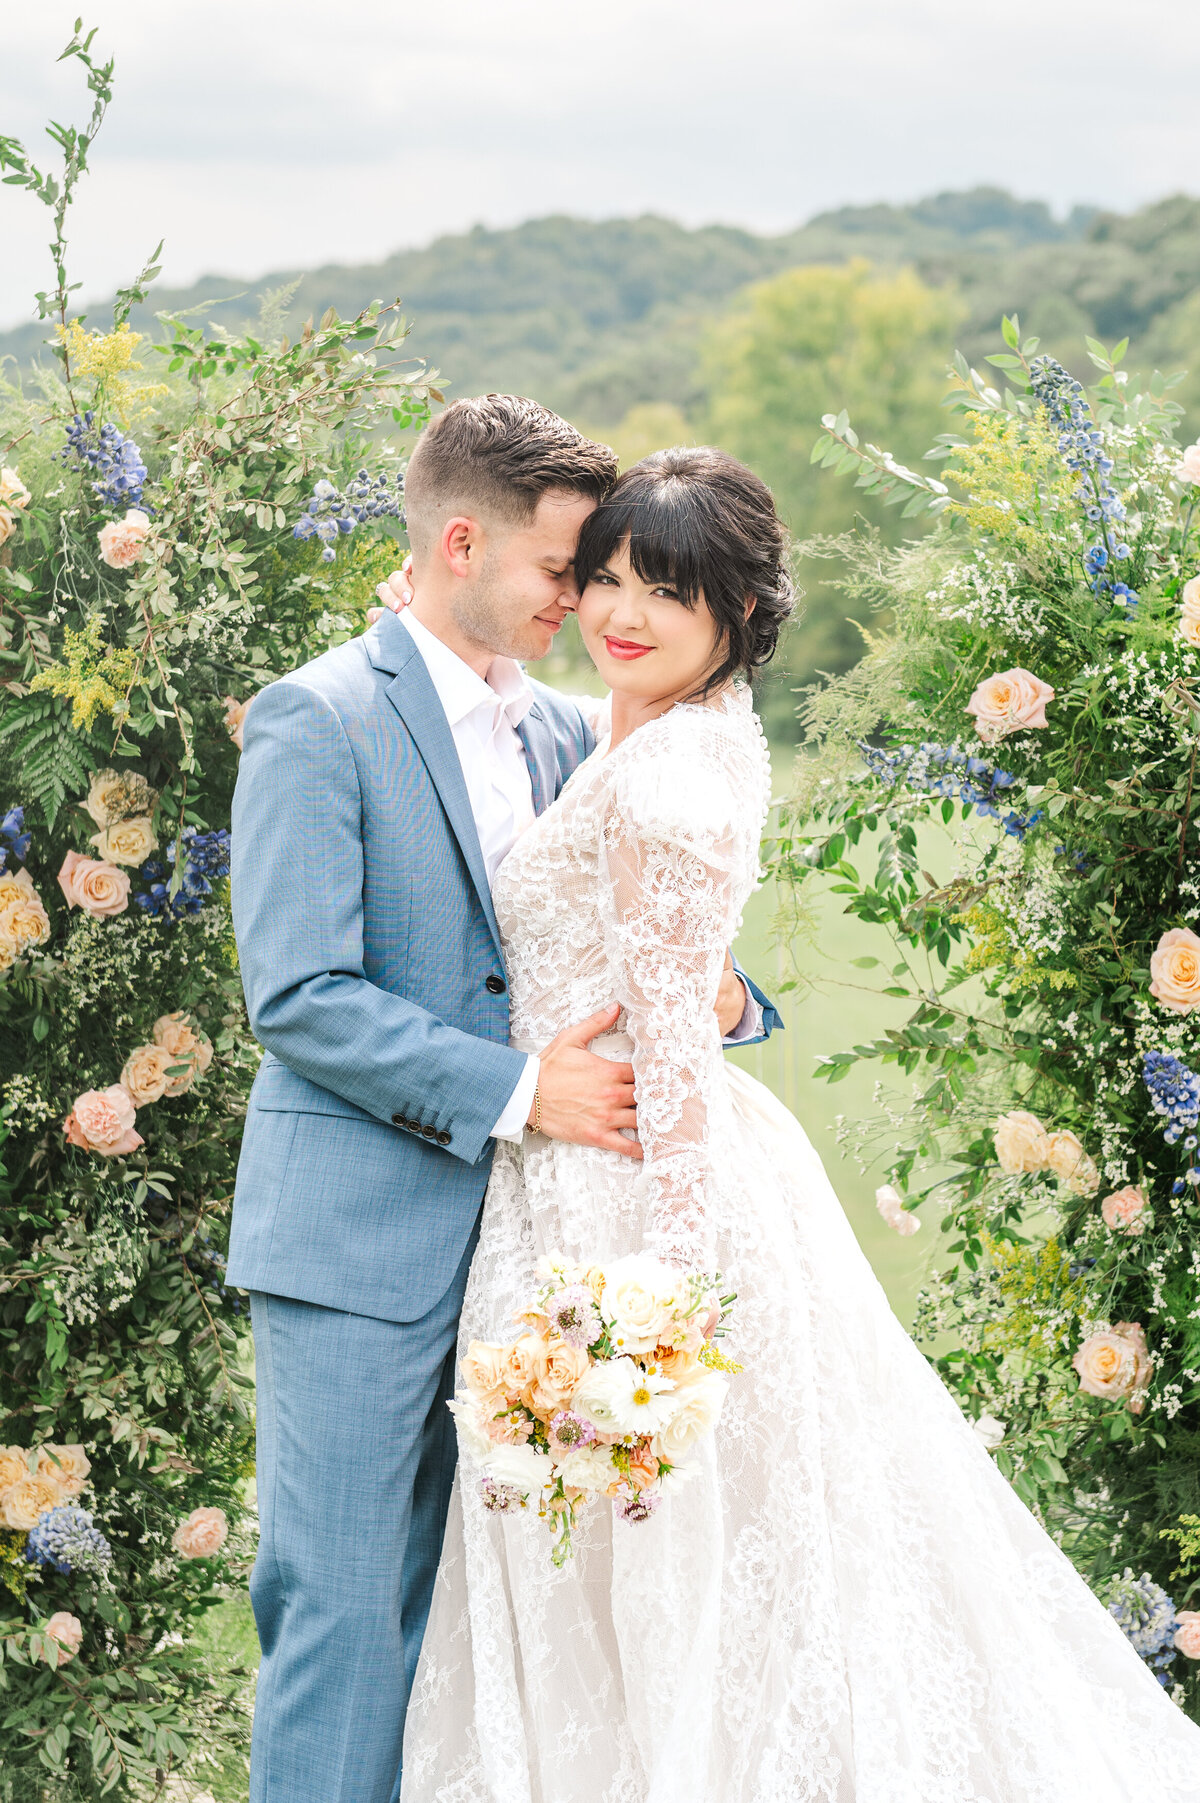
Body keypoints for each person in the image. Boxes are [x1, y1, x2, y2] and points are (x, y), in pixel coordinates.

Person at [400, 446, 1200, 1803]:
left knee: (657, 1548)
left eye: (667, 588)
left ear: (741, 612)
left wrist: (668, 1298)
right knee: (605, 1555)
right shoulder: (636, 734)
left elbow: (668, 1029)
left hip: (635, 1188)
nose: (621, 613)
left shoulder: (672, 768)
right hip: (574, 1164)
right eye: (602, 578)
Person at [226, 395, 777, 1803]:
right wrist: (529, 1087)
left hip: (527, 1254)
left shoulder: (558, 733)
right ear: (460, 541)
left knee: (500, 1628)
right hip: (356, 1244)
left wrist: (727, 1001)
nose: (584, 602)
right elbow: (297, 995)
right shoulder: (317, 718)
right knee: (346, 1612)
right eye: (567, 572)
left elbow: (637, 911)